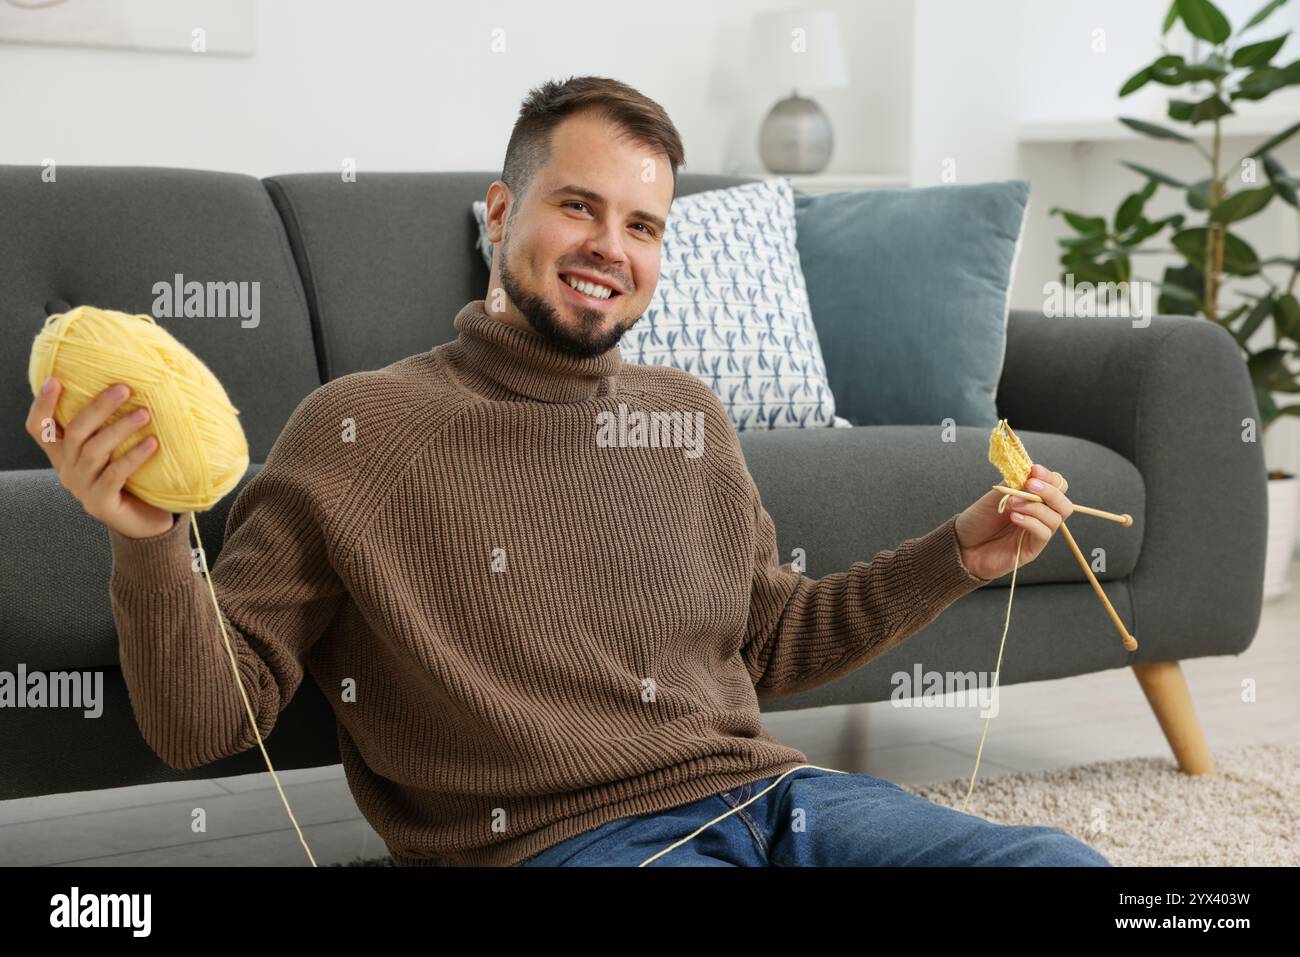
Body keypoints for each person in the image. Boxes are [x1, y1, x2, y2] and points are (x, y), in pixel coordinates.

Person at [24, 75, 1107, 867]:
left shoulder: (687, 417)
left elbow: (771, 640)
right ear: (502, 215)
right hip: (558, 844)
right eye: (579, 206)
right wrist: (149, 540)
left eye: (642, 225)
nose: (612, 248)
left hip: (777, 802)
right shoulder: (357, 430)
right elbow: (206, 723)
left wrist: (956, 555)